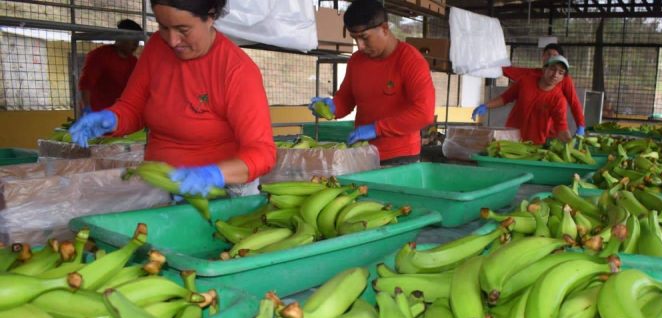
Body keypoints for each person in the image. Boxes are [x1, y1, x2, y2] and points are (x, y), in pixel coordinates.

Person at [69, 0, 276, 197]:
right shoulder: (157, 47)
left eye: (183, 30)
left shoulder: (236, 71)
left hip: (222, 191)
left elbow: (262, 153)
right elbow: (133, 107)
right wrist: (113, 119)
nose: (172, 40)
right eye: (163, 27)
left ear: (210, 17)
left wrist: (214, 174)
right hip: (160, 184)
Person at [307, 0, 435, 166]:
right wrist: (331, 106)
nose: (360, 46)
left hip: (400, 157)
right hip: (363, 153)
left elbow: (424, 113)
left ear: (384, 29)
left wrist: (377, 129)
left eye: (364, 38)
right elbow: (345, 99)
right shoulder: (356, 61)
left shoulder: (411, 61)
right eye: (355, 39)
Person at [472, 55, 572, 145]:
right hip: (511, 136)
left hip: (535, 143)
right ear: (544, 69)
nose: (555, 74)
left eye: (560, 72)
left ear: (563, 77)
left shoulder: (559, 100)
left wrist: (570, 143)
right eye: (552, 69)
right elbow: (506, 97)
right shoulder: (525, 81)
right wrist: (486, 106)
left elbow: (561, 126)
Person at [502, 43, 587, 136]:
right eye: (548, 54)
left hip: (550, 130)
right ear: (543, 56)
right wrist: (489, 66)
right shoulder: (532, 74)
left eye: (554, 55)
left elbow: (574, 102)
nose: (550, 57)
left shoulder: (565, 80)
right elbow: (510, 71)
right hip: (526, 127)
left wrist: (581, 125)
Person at [78, 19, 143, 113]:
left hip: (120, 116)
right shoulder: (100, 56)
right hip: (98, 115)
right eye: (133, 39)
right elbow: (85, 86)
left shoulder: (133, 62)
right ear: (120, 37)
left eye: (138, 40)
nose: (135, 44)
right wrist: (87, 110)